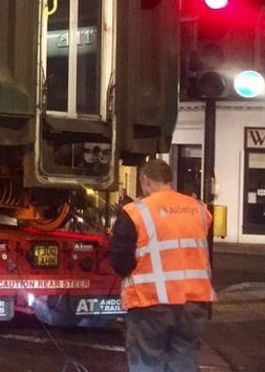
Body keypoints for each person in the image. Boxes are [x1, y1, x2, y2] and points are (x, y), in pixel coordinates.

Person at [110, 159, 216, 372]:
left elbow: (121, 261)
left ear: (145, 180)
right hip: (194, 303)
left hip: (151, 302)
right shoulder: (199, 209)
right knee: (184, 360)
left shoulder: (135, 212)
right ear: (169, 180)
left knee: (148, 360)